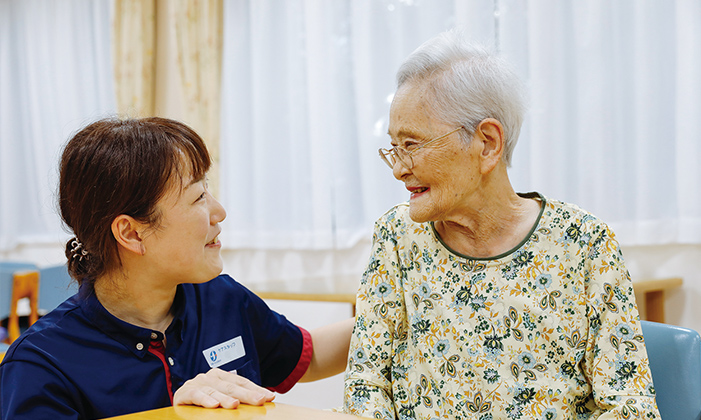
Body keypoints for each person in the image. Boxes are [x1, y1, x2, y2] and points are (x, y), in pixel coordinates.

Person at [343, 29, 660, 419]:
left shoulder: (582, 243)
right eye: (394, 147)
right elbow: (366, 383)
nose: (399, 169)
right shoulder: (397, 237)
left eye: (412, 145)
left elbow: (630, 406)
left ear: (488, 143)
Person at [0, 117, 354, 419]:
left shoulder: (221, 299)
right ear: (132, 233)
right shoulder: (41, 364)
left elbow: (310, 356)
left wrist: (397, 310)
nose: (219, 212)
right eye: (198, 197)